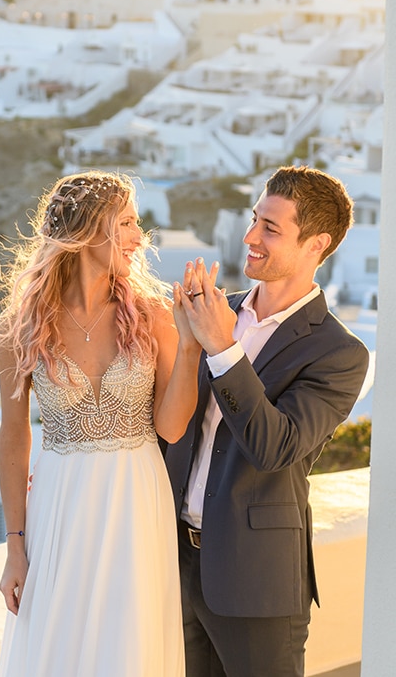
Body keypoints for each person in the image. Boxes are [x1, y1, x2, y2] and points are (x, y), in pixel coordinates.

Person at [0, 170, 200, 677]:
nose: (138, 236)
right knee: (58, 643)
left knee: (128, 646)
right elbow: (14, 437)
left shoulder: (152, 315)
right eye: (125, 222)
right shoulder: (22, 328)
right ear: (86, 230)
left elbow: (170, 427)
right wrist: (15, 548)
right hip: (61, 503)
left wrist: (189, 347)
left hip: (136, 499)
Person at [165, 165, 370, 677]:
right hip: (174, 563)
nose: (250, 237)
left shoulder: (340, 353)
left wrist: (221, 347)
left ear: (316, 245)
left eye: (271, 229)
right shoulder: (216, 314)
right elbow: (170, 428)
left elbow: (275, 447)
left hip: (255, 578)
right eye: (255, 220)